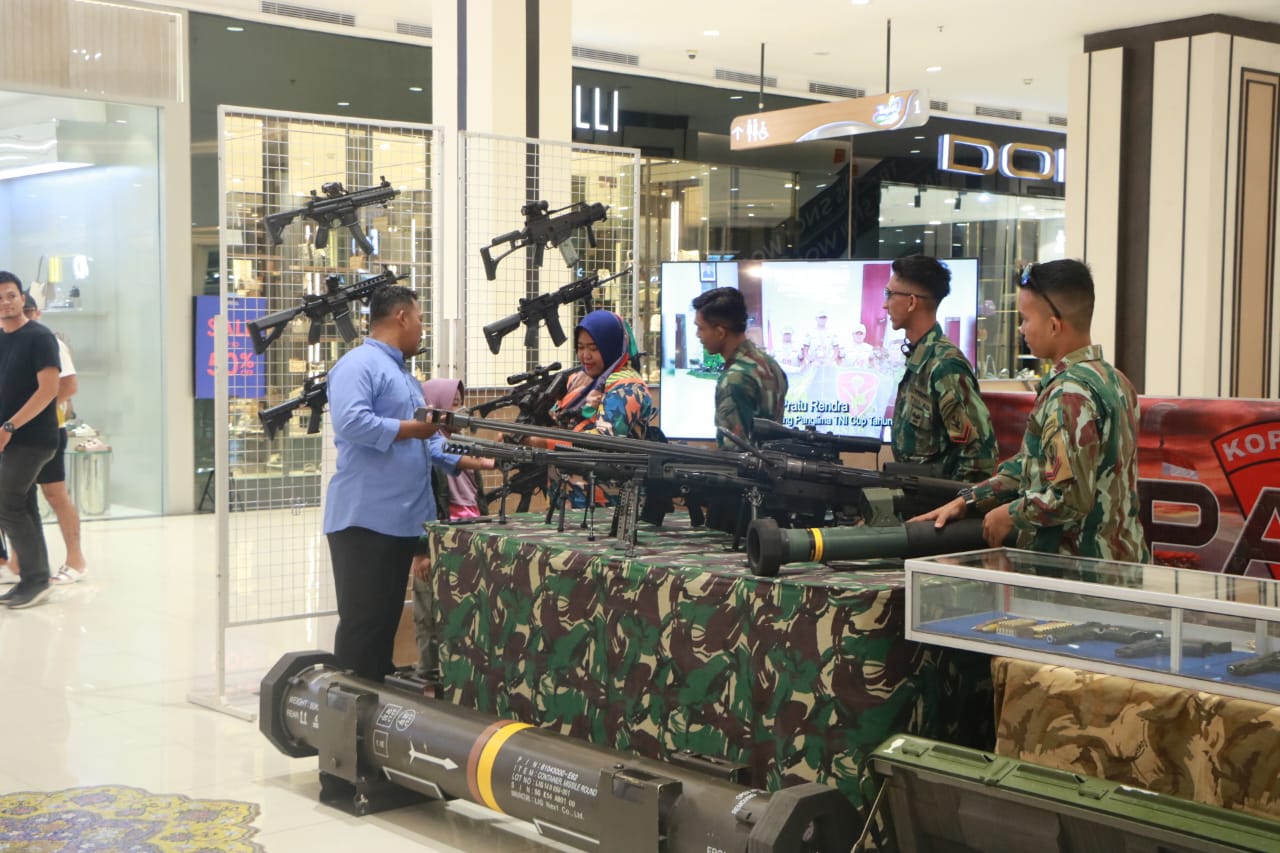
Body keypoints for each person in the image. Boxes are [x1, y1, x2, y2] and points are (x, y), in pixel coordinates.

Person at [913, 259, 1150, 564]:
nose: (1021, 329)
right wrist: (971, 500)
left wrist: (1009, 515)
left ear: (1053, 325)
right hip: (1118, 564)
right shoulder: (1115, 380)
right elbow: (1033, 464)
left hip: (1079, 574)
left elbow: (1068, 497)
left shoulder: (1069, 394)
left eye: (1025, 319)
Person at [323, 285, 486, 681]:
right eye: (419, 318)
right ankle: (344, 720)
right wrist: (415, 429)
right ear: (401, 317)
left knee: (382, 628)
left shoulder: (405, 377)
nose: (422, 328)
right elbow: (352, 422)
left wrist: (478, 460)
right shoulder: (357, 365)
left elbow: (430, 442)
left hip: (401, 523)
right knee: (363, 628)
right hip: (365, 521)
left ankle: (374, 716)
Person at [883, 254, 997, 483]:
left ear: (912, 302)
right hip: (914, 501)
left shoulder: (945, 367)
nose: (885, 304)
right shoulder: (919, 358)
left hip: (935, 508)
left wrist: (951, 508)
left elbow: (978, 460)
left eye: (890, 295)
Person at [411, 377, 492, 679]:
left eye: (461, 404)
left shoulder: (463, 447)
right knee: (430, 611)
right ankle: (430, 672)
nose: (462, 412)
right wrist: (420, 552)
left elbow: (475, 498)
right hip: (438, 539)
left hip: (470, 534)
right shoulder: (429, 453)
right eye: (455, 406)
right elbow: (423, 501)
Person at [546, 309, 655, 507]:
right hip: (566, 500)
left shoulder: (628, 387)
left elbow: (602, 440)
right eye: (580, 347)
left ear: (610, 346)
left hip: (607, 507)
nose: (585, 355)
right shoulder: (579, 380)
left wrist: (544, 441)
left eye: (593, 348)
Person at [0, 272, 61, 609]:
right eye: (0, 298)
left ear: (22, 298)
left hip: (33, 438)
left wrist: (9, 426)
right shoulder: (2, 337)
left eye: (11, 295)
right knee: (21, 505)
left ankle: (36, 579)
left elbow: (49, 390)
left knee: (7, 503)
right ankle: (34, 580)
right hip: (10, 438)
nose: (6, 303)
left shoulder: (39, 337)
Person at [691, 287, 788, 447]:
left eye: (701, 328)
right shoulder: (771, 365)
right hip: (773, 466)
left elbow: (734, 455)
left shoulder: (734, 379)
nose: (698, 335)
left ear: (720, 332)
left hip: (745, 471)